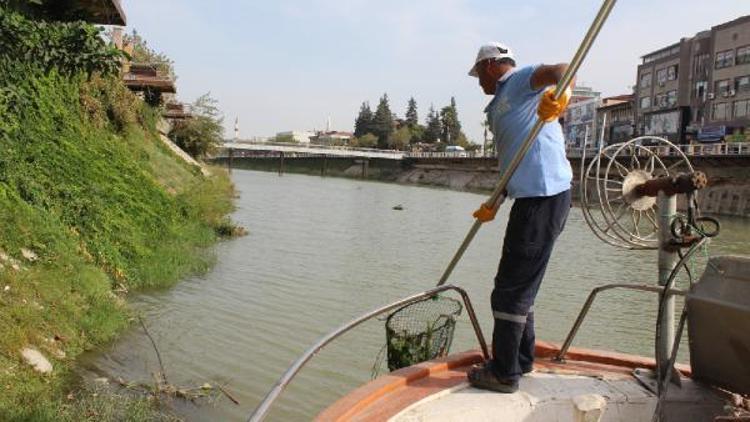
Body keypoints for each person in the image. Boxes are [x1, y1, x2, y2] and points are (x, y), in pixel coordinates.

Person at [466, 42, 573, 393]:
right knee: (519, 287)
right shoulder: (498, 105)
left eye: (478, 73)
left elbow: (561, 68)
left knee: (508, 291)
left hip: (544, 195)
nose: (477, 81)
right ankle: (521, 361)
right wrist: (497, 198)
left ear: (491, 65)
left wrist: (562, 93)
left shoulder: (520, 79)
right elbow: (511, 156)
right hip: (526, 198)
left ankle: (504, 372)